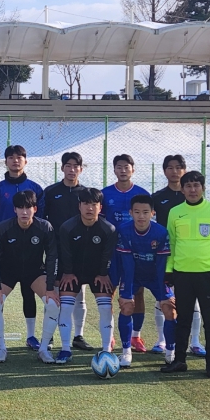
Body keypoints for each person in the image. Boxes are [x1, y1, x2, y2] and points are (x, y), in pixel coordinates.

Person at [161, 171, 210, 378]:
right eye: (188, 186)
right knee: (183, 319)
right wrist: (169, 269)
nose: (192, 190)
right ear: (182, 190)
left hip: (208, 274)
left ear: (203, 188)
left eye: (196, 185)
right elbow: (172, 243)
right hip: (182, 274)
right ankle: (180, 360)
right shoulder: (175, 212)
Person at [44, 188, 117, 364]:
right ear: (79, 206)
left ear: (100, 207)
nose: (89, 208)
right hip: (72, 273)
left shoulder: (109, 229)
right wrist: (68, 272)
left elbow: (108, 255)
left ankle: (106, 350)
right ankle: (65, 349)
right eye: (86, 204)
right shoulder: (67, 227)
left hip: (98, 274)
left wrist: (103, 273)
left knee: (105, 308)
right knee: (65, 307)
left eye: (94, 204)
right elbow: (65, 253)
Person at [0, 145, 45, 352]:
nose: (15, 160)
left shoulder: (36, 188)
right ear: (6, 162)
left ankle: (31, 335)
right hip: (6, 247)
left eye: (19, 157)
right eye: (10, 157)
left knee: (29, 292)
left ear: (25, 161)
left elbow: (41, 216)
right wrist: (4, 233)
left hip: (31, 248)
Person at [0, 190, 58, 364]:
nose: (24, 212)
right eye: (20, 208)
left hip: (34, 272)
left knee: (52, 304)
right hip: (8, 272)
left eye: (28, 207)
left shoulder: (45, 227)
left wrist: (50, 288)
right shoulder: (3, 228)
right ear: (14, 209)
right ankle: (1, 348)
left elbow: (51, 257)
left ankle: (43, 349)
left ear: (35, 209)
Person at [151, 155, 205, 357]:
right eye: (170, 167)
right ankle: (162, 340)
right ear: (164, 171)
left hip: (189, 256)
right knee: (162, 297)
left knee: (193, 299)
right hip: (164, 255)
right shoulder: (157, 197)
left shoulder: (192, 196)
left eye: (178, 167)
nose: (174, 171)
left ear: (184, 169)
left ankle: (195, 341)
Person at [115, 195, 177, 368]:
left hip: (156, 276)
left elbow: (161, 265)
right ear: (130, 213)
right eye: (137, 212)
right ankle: (126, 351)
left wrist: (164, 294)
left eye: (145, 212)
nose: (141, 216)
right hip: (133, 275)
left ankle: (171, 352)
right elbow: (127, 264)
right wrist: (127, 294)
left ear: (152, 213)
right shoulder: (124, 230)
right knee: (127, 306)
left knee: (169, 308)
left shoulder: (161, 232)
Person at [101, 154, 150, 353]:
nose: (123, 170)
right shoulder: (105, 194)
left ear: (133, 169)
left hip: (136, 251)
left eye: (126, 167)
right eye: (119, 167)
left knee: (137, 293)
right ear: (114, 170)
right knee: (108, 292)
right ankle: (110, 335)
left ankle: (135, 336)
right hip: (112, 252)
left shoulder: (142, 194)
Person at [43, 151, 91, 352]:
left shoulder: (87, 193)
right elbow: (43, 220)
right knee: (54, 294)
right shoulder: (51, 191)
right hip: (56, 250)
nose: (72, 170)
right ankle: (50, 335)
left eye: (75, 166)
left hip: (81, 250)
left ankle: (78, 335)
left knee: (79, 294)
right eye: (68, 166)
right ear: (62, 168)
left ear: (81, 169)